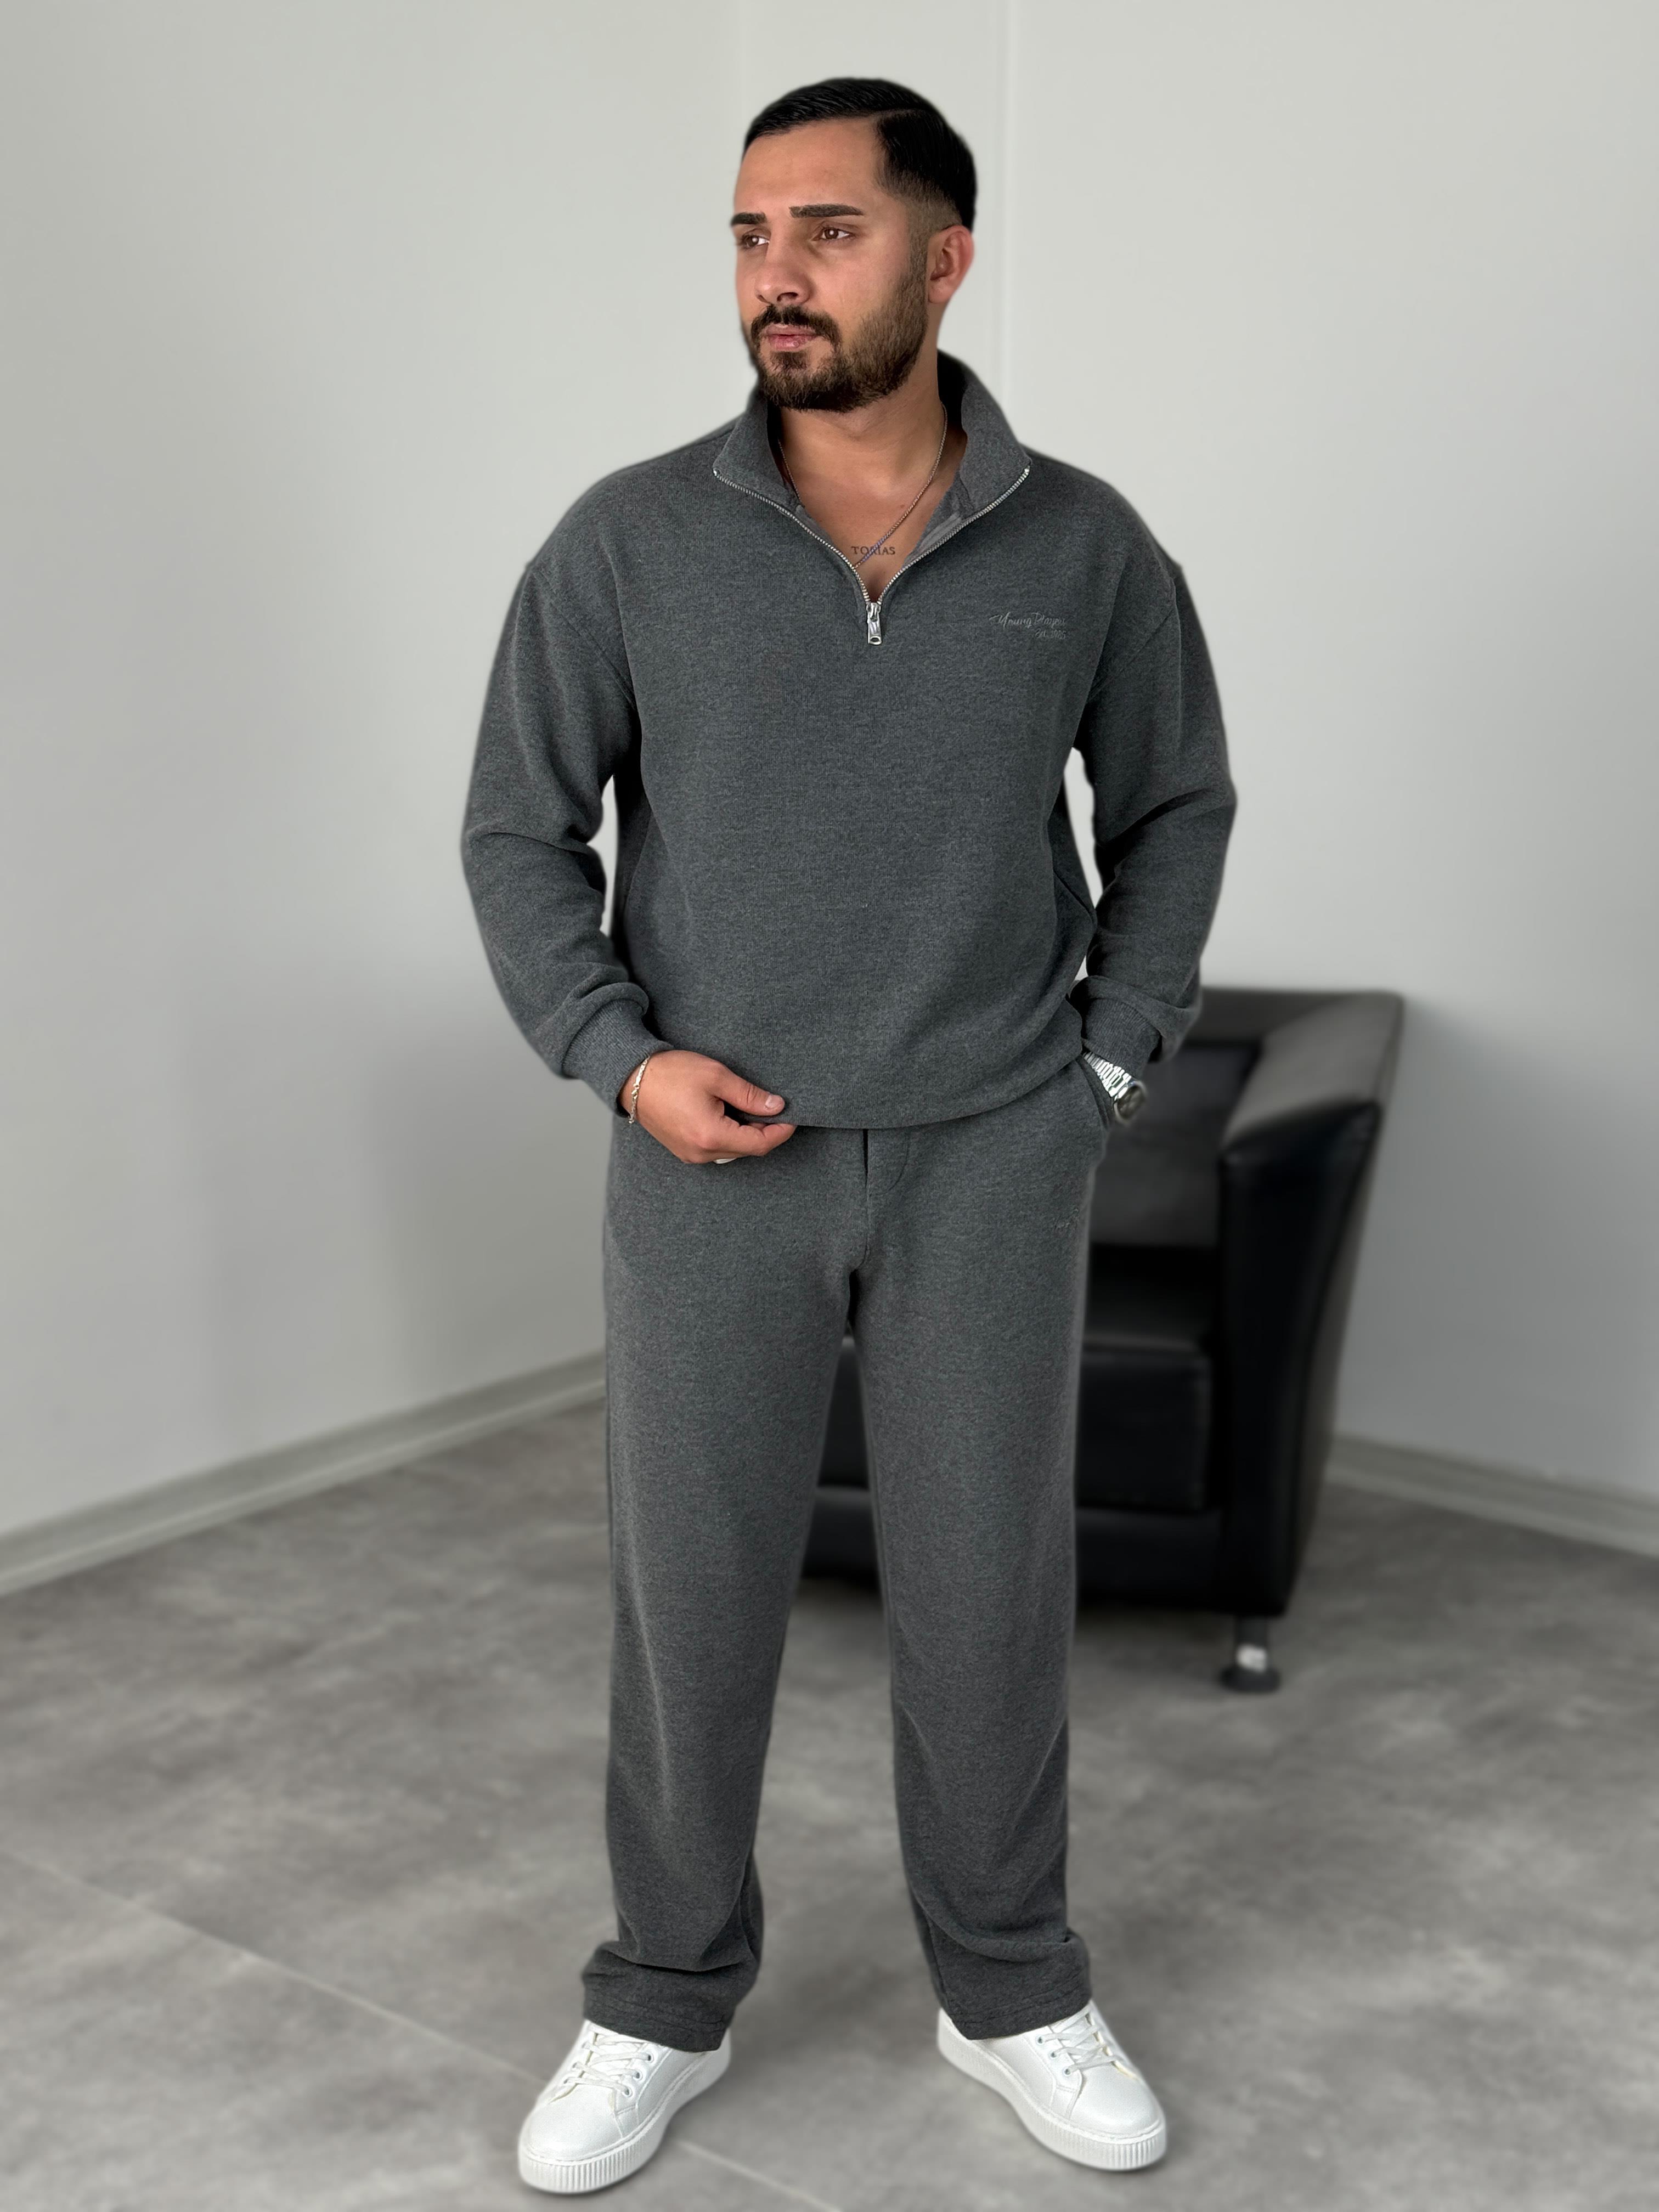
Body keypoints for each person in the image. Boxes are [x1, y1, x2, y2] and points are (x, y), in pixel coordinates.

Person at [461, 75, 1235, 2196]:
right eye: (747, 233)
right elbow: (518, 830)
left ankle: (1010, 1986)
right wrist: (619, 1057)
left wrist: (1106, 1065)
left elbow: (1173, 806)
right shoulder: (627, 540)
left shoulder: (1085, 546)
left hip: (993, 1148)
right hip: (709, 1159)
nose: (774, 275)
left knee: (989, 1591)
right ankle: (660, 1997)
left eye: (826, 230)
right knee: (690, 1600)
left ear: (945, 259)